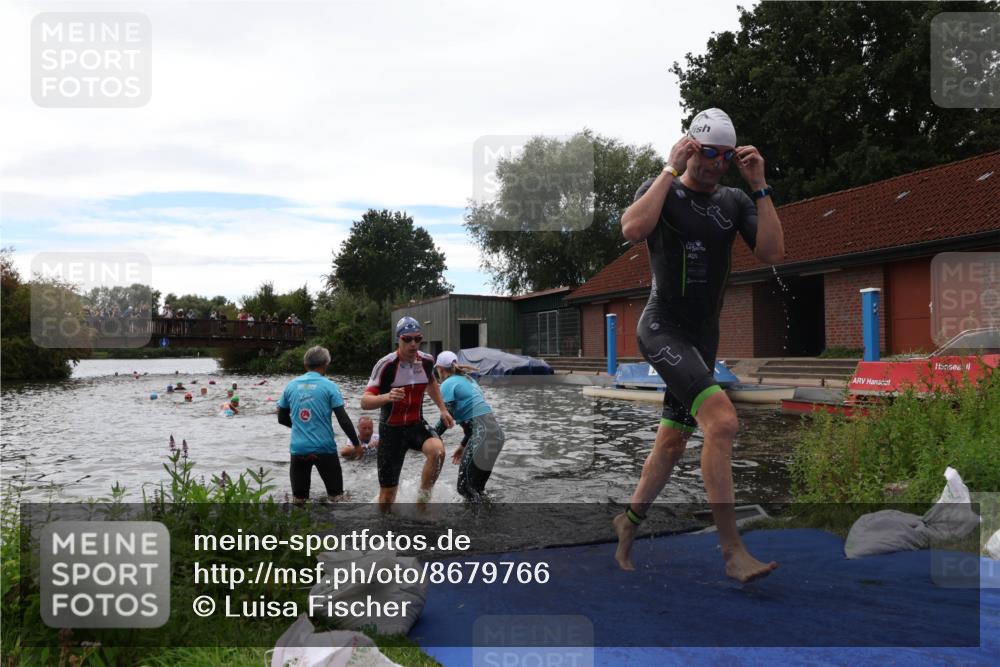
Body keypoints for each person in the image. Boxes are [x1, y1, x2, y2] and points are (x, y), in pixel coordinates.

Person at [615, 108, 785, 584]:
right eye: (708, 153)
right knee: (723, 421)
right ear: (690, 147)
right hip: (662, 328)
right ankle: (732, 551)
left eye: (726, 157)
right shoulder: (663, 189)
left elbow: (773, 252)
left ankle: (627, 523)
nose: (716, 164)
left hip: (702, 338)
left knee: (672, 443)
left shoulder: (734, 201)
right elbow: (632, 229)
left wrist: (760, 185)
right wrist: (668, 169)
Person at [361, 316, 454, 512]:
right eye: (407, 339)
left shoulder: (427, 361)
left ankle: (421, 503)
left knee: (438, 452)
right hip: (391, 431)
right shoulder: (386, 364)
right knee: (388, 497)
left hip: (415, 424)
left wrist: (443, 409)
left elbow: (431, 383)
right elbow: (365, 402)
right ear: (398, 340)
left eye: (417, 339)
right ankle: (382, 524)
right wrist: (387, 397)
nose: (413, 344)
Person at [277, 346, 361, 502]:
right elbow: (343, 419)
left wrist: (300, 427)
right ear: (325, 364)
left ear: (305, 365)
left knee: (299, 501)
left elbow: (281, 418)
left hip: (299, 449)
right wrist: (356, 444)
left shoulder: (291, 385)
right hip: (325, 449)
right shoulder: (330, 386)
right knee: (336, 498)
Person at [432, 351, 506, 500]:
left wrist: (428, 436)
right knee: (477, 488)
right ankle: (488, 512)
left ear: (439, 369)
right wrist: (463, 445)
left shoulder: (447, 384)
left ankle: (477, 516)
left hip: (483, 436)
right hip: (496, 436)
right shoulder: (469, 380)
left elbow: (446, 419)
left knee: (464, 487)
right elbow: (474, 421)